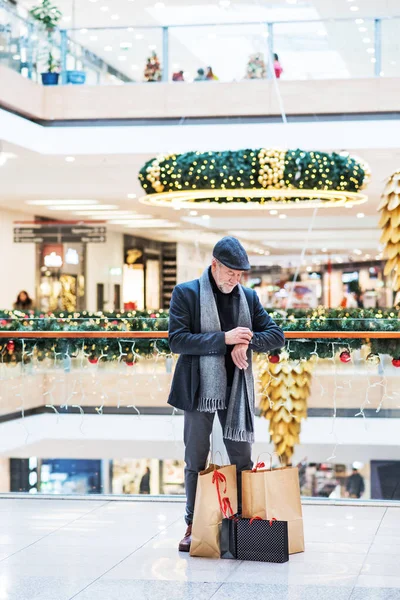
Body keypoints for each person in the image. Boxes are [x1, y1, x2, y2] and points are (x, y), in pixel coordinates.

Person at [168, 236, 285, 552]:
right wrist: (224, 339)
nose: (235, 280)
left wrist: (245, 343)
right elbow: (178, 341)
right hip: (198, 389)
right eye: (230, 273)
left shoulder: (247, 297)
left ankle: (243, 523)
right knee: (195, 457)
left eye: (240, 275)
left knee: (241, 458)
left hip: (236, 389)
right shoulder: (186, 293)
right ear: (214, 265)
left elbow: (276, 335)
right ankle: (193, 524)